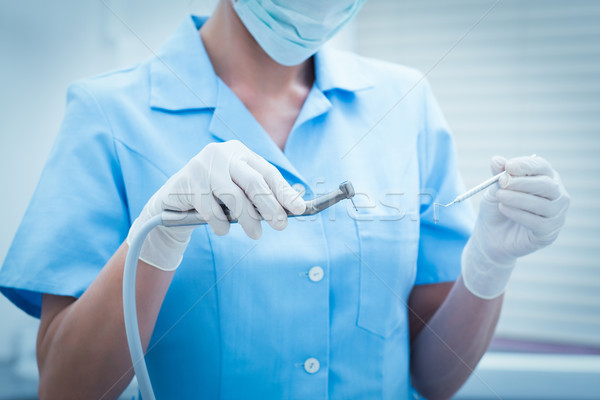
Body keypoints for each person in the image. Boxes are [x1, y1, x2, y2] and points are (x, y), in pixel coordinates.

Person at [0, 0, 570, 399]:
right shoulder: (109, 113)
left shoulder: (407, 103)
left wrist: (491, 263)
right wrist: (158, 234)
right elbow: (66, 391)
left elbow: (435, 379)